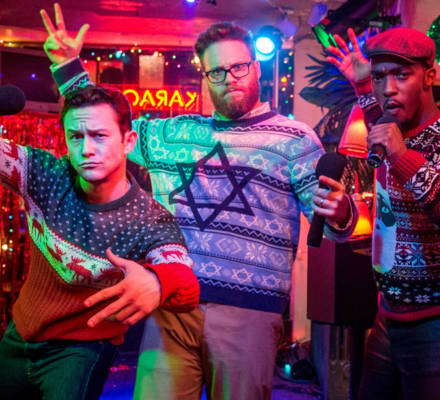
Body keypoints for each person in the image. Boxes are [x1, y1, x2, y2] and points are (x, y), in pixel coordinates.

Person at [40, 4, 357, 399]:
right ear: (205, 78)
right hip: (170, 302)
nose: (230, 79)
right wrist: (67, 66)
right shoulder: (173, 135)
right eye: (217, 72)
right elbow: (106, 126)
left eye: (238, 67)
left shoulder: (294, 139)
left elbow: (333, 221)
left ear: (256, 67)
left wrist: (340, 211)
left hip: (250, 311)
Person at [0, 83, 200, 400]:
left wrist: (158, 281)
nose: (86, 149)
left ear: (128, 141)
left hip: (81, 350)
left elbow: (186, 286)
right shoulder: (46, 175)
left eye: (99, 136)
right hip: (19, 336)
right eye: (76, 137)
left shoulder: (149, 219)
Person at [327, 27, 440, 400]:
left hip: (434, 324)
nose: (388, 89)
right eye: (379, 77)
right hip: (388, 316)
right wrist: (343, 210)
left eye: (401, 75)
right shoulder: (387, 127)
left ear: (429, 76)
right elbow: (376, 108)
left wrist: (401, 156)